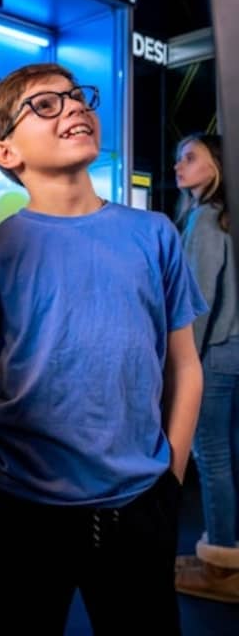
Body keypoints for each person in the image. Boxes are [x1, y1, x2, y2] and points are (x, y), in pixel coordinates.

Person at [0, 63, 207, 635]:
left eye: (76, 96)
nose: (73, 107)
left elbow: (185, 366)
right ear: (6, 152)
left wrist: (171, 480)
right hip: (25, 512)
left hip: (141, 504)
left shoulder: (155, 233)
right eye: (45, 105)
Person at [173, 132, 239, 603]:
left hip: (214, 352)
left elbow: (199, 300)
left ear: (215, 165)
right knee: (227, 452)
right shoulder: (225, 217)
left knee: (211, 454)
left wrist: (184, 365)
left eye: (190, 158)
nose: (179, 166)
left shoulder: (206, 219)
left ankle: (220, 564)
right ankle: (223, 548)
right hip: (232, 349)